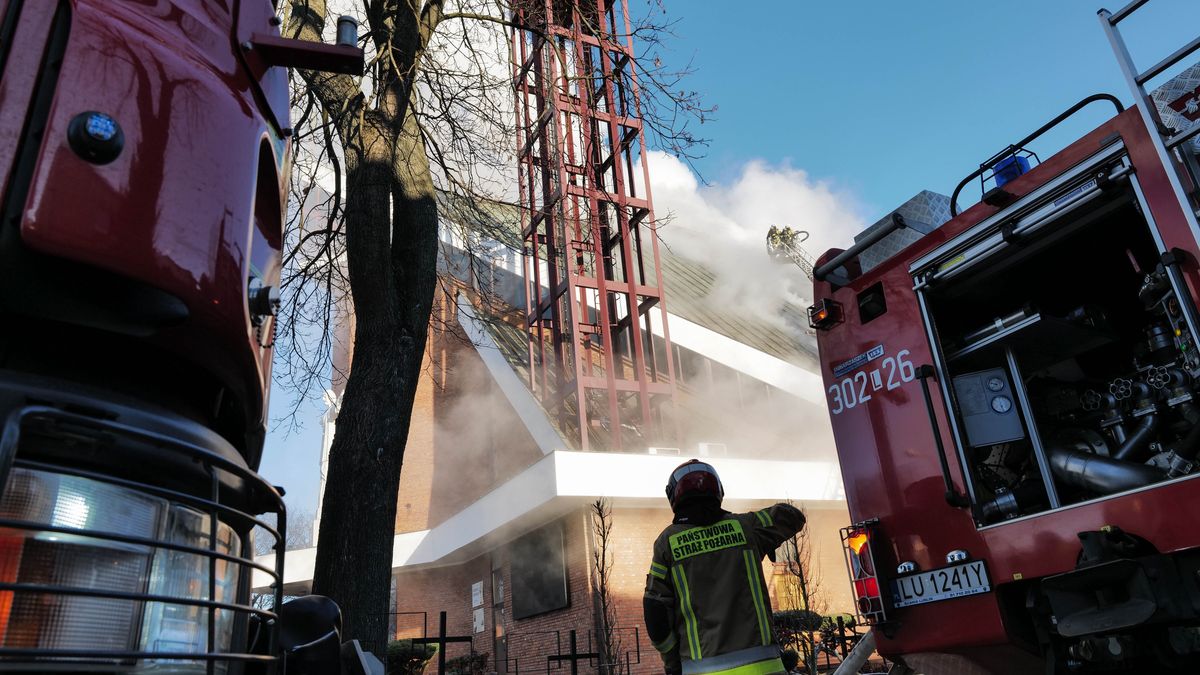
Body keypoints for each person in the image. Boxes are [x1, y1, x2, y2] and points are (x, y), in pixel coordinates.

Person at [643, 459, 807, 675]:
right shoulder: (748, 527)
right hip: (766, 669)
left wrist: (673, 665)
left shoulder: (667, 543)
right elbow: (792, 515)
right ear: (718, 490)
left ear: (674, 496)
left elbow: (656, 613)